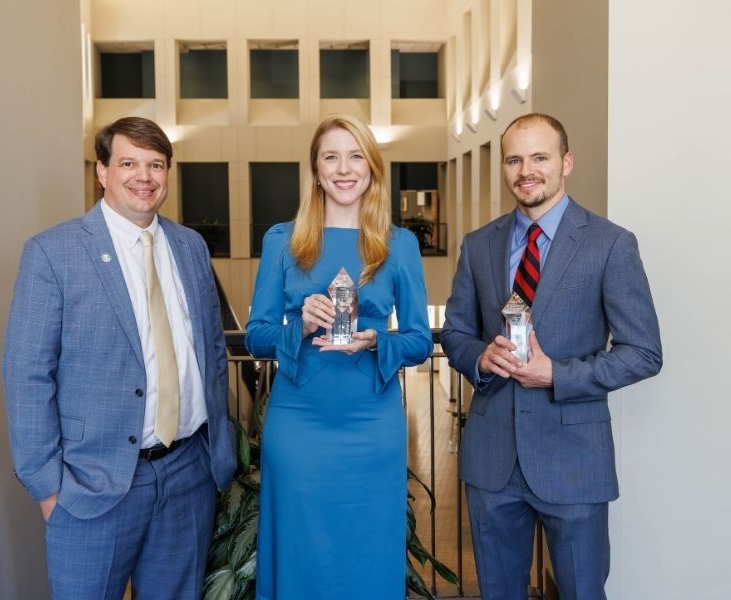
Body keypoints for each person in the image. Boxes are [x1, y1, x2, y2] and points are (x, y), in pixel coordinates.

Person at [3, 116, 236, 599]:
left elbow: (212, 352)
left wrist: (219, 456)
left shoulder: (190, 248)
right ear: (102, 172)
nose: (144, 176)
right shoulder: (54, 253)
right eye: (128, 163)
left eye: (156, 164)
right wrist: (49, 490)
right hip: (91, 484)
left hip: (187, 473)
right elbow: (27, 377)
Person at [440, 113, 662, 600]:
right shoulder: (478, 246)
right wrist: (480, 358)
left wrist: (556, 375)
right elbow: (455, 332)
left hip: (575, 462)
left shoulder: (610, 244)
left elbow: (644, 352)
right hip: (492, 462)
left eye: (539, 157)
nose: (526, 170)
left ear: (566, 162)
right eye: (514, 159)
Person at [245, 113, 434, 599]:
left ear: (372, 168)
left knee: (369, 551)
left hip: (372, 424)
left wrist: (378, 342)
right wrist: (299, 324)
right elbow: (256, 336)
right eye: (331, 156)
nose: (344, 168)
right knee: (301, 550)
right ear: (315, 169)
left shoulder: (399, 245)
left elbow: (418, 338)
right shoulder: (282, 241)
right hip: (299, 423)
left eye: (356, 156)